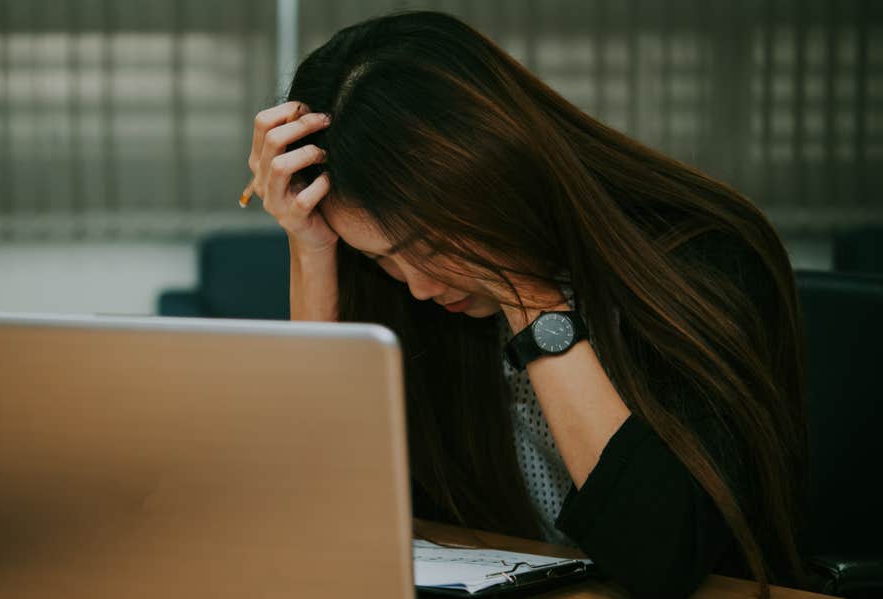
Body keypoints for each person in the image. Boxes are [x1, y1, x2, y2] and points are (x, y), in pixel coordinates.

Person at [244, 11, 807, 598]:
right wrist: (310, 250)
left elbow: (660, 558)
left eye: (431, 245)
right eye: (382, 257)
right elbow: (315, 512)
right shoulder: (402, 287)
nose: (417, 285)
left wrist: (529, 297)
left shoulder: (702, 255)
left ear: (494, 174)